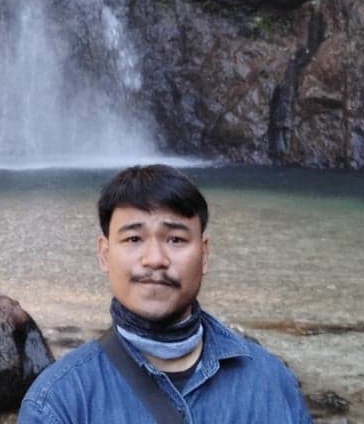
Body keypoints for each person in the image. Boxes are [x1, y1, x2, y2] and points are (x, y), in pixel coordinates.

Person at [18, 164, 313, 423]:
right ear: (104, 254)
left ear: (204, 254)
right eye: (134, 238)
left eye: (175, 239)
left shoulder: (271, 383)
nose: (155, 259)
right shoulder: (59, 402)